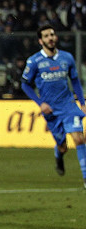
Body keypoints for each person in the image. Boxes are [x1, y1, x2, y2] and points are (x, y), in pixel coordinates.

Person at [21, 25, 86, 188]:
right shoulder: (34, 61)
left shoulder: (67, 58)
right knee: (63, 146)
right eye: (46, 36)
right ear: (40, 40)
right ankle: (59, 155)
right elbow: (25, 85)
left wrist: (82, 103)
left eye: (52, 34)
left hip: (68, 105)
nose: (50, 38)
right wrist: (40, 103)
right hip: (51, 110)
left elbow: (75, 81)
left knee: (79, 138)